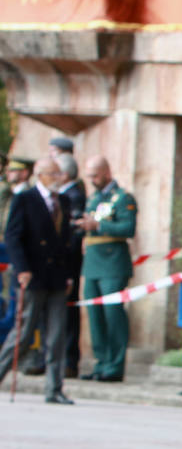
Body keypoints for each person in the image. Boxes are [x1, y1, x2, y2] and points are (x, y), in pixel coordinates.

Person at [0, 158, 81, 404]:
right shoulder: (25, 199)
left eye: (59, 173)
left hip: (56, 277)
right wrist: (22, 268)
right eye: (53, 174)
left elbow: (65, 242)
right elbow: (13, 237)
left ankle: (54, 388)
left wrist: (68, 274)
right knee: (23, 332)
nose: (58, 177)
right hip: (32, 275)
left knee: (56, 335)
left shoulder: (63, 201)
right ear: (41, 175)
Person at [76, 156, 137, 383]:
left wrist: (99, 225)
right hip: (92, 263)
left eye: (95, 175)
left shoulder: (122, 198)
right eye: (89, 175)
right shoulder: (93, 199)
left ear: (107, 172)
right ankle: (101, 362)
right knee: (95, 316)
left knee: (113, 315)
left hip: (112, 263)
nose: (92, 180)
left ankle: (115, 364)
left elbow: (128, 228)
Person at [55, 153, 85, 378]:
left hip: (68, 264)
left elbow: (72, 235)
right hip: (59, 263)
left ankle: (68, 361)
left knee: (67, 313)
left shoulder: (73, 196)